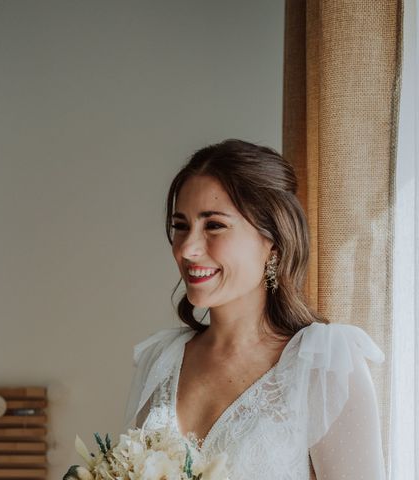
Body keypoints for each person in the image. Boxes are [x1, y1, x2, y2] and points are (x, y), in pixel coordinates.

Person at [124, 139, 386, 480]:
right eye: (181, 226)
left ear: (273, 241)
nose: (187, 249)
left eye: (214, 225)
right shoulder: (160, 360)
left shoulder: (324, 365)